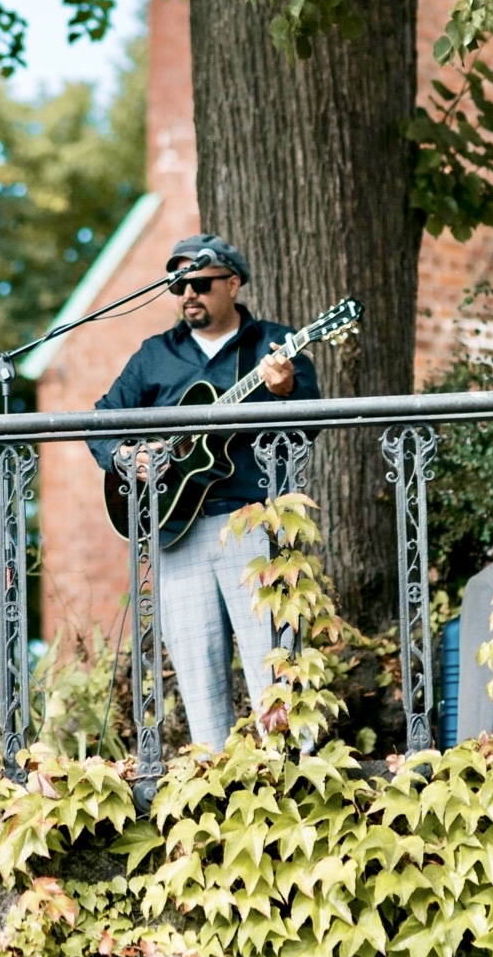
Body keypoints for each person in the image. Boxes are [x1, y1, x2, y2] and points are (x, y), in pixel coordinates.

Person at [85, 235, 318, 752]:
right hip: (176, 532)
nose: (188, 293)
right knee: (196, 673)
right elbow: (100, 418)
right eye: (178, 285)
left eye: (201, 283)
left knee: (275, 669)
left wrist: (284, 391)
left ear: (232, 284)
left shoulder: (275, 346)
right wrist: (125, 457)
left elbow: (310, 427)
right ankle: (215, 789)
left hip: (254, 525)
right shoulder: (155, 356)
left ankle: (293, 781)